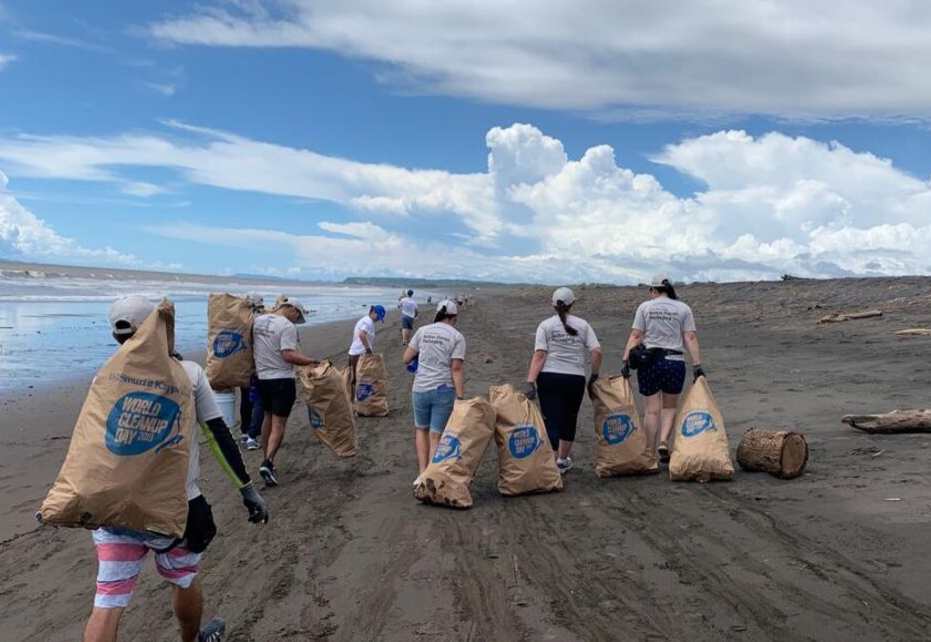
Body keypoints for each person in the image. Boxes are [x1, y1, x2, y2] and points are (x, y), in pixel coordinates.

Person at [84, 295, 268, 642]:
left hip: (115, 510)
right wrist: (247, 490)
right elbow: (218, 436)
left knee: (108, 599)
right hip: (174, 509)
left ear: (115, 336)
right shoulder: (188, 374)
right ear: (159, 328)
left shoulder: (104, 377)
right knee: (184, 578)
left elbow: (90, 447)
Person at [620, 274, 703, 464]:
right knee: (670, 407)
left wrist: (625, 360)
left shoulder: (645, 307)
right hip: (674, 361)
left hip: (649, 362)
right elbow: (690, 337)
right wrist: (697, 364)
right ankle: (664, 442)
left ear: (653, 290)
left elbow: (636, 335)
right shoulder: (683, 308)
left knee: (651, 410)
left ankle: (650, 453)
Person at [523, 287, 602, 474]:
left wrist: (530, 381)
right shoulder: (583, 325)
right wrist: (594, 375)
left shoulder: (545, 325)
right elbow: (597, 352)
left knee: (551, 419)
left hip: (549, 378)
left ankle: (550, 463)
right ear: (572, 304)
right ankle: (562, 461)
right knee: (569, 418)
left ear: (553, 304)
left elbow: (540, 355)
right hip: (575, 379)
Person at [252, 297, 318, 486]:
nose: (297, 320)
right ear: (292, 309)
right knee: (279, 424)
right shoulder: (287, 326)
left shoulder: (257, 322)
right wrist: (311, 361)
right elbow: (288, 355)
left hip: (262, 378)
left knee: (267, 417)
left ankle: (267, 459)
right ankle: (268, 462)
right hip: (281, 379)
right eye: (298, 316)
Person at [402, 299, 466, 486]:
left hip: (420, 388)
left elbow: (406, 358)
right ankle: (433, 475)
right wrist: (460, 397)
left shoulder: (422, 331)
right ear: (453, 317)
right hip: (443, 390)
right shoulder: (457, 337)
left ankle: (422, 473)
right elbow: (456, 369)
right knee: (436, 434)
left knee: (421, 430)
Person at [239, 294, 265, 451]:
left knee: (246, 399)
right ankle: (252, 436)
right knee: (259, 400)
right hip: (257, 366)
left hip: (242, 366)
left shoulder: (240, 320)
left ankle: (244, 432)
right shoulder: (258, 320)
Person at [347, 305, 386, 387]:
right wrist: (368, 349)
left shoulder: (367, 321)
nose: (378, 319)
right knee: (359, 380)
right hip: (359, 353)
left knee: (356, 380)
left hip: (356, 352)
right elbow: (361, 334)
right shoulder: (368, 321)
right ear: (372, 312)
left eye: (379, 318)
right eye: (378, 317)